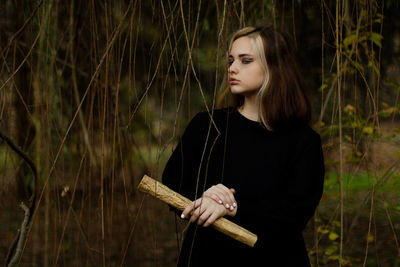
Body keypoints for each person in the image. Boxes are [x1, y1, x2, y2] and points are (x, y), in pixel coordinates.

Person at [162, 25, 325, 267]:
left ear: (274, 67)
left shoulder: (303, 141)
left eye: (245, 60)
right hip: (207, 257)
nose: (232, 68)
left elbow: (294, 215)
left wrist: (233, 208)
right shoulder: (207, 126)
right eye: (231, 60)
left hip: (275, 259)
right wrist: (205, 199)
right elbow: (173, 187)